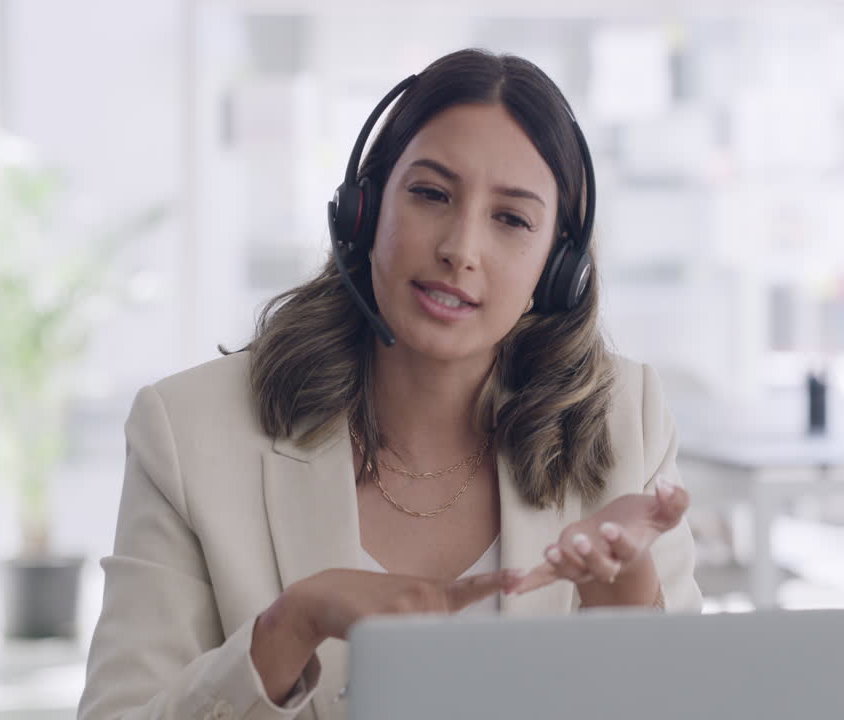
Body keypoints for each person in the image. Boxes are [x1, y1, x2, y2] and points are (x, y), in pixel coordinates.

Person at [78, 48, 701, 720]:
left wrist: (631, 613)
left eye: (512, 219)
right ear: (363, 212)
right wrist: (291, 627)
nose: (461, 248)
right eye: (431, 195)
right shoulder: (188, 431)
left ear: (559, 270)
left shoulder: (622, 419)